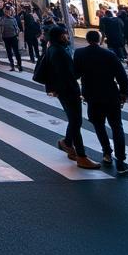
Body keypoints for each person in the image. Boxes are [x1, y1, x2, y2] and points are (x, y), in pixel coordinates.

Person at [33, 26, 100, 169]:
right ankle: (80, 156)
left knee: (74, 121)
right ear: (60, 36)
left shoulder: (53, 49)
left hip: (63, 90)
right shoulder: (59, 52)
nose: (67, 37)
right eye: (65, 34)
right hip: (68, 91)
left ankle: (68, 144)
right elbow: (66, 75)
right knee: (76, 121)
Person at [73, 30, 128, 174]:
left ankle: (106, 153)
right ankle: (121, 159)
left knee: (99, 125)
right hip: (110, 94)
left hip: (91, 95)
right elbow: (121, 76)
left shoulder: (79, 54)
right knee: (117, 127)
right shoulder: (109, 54)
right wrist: (124, 93)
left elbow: (75, 73)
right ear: (99, 40)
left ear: (87, 40)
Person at [0, 6, 22, 71]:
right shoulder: (2, 19)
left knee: (16, 52)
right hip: (6, 38)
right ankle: (12, 65)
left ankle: (19, 65)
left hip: (13, 37)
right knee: (9, 52)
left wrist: (17, 34)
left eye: (8, 11)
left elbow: (17, 28)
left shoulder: (13, 19)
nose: (7, 12)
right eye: (6, 11)